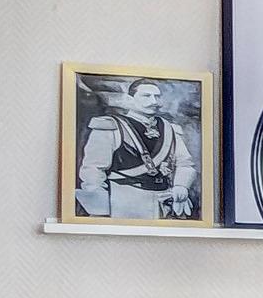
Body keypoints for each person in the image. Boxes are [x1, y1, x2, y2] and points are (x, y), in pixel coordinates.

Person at [74, 77, 196, 220]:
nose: (154, 102)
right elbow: (93, 170)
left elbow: (185, 163)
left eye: (157, 96)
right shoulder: (111, 126)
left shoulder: (170, 129)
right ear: (130, 99)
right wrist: (100, 209)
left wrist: (181, 185)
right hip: (124, 202)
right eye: (146, 96)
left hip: (164, 202)